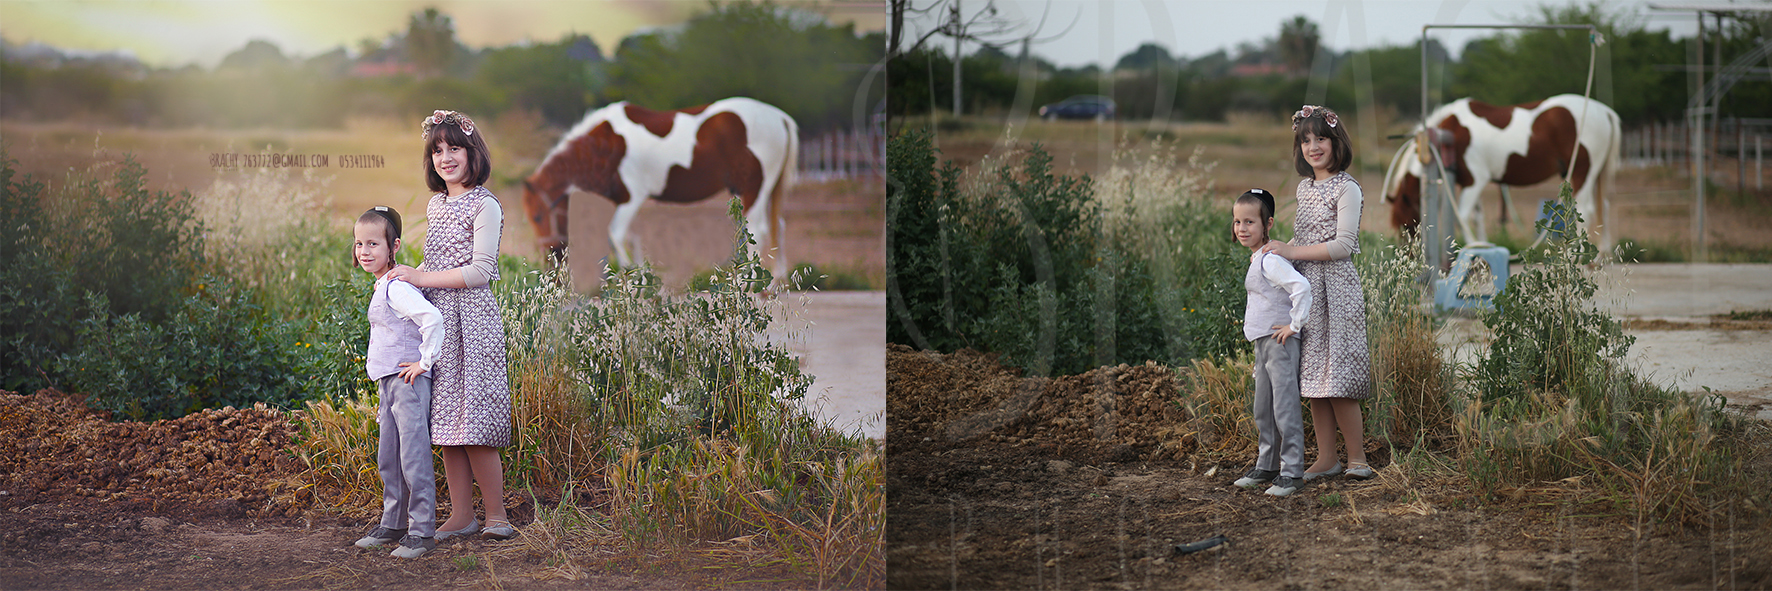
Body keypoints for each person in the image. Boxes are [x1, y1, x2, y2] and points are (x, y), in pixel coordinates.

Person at [386, 110, 516, 541]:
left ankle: (496, 516)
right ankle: (462, 516)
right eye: (437, 151)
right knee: (444, 424)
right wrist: (405, 277)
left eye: (454, 148)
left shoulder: (485, 203)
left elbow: (480, 270)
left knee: (474, 421)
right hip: (440, 321)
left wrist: (420, 277)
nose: (446, 157)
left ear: (472, 152)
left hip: (472, 320)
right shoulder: (436, 203)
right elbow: (435, 263)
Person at [1261, 105, 1377, 481]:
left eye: (1321, 138)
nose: (1314, 146)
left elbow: (1343, 244)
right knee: (1312, 378)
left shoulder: (1347, 187)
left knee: (1338, 377)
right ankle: (1327, 458)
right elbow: (1305, 237)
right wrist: (1277, 254)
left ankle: (1358, 458)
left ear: (1336, 142)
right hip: (1309, 289)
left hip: (1337, 289)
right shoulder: (1304, 187)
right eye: (1305, 140)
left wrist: (1291, 251)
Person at [350, 206, 444, 558]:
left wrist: (424, 361)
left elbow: (431, 318)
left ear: (394, 247)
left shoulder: (397, 287)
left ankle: (421, 531)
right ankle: (394, 522)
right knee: (388, 455)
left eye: (374, 243)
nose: (365, 251)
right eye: (359, 243)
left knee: (413, 455)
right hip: (387, 382)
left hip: (407, 382)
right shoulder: (383, 285)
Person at [1229, 189, 1312, 497]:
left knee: (1284, 406)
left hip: (1280, 343)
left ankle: (1292, 471)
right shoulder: (1258, 259)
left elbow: (1300, 287)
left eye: (1250, 221)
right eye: (1237, 221)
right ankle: (1268, 464)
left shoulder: (1270, 260)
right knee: (1263, 407)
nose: (1242, 228)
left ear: (1268, 224)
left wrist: (1294, 324)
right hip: (1263, 343)